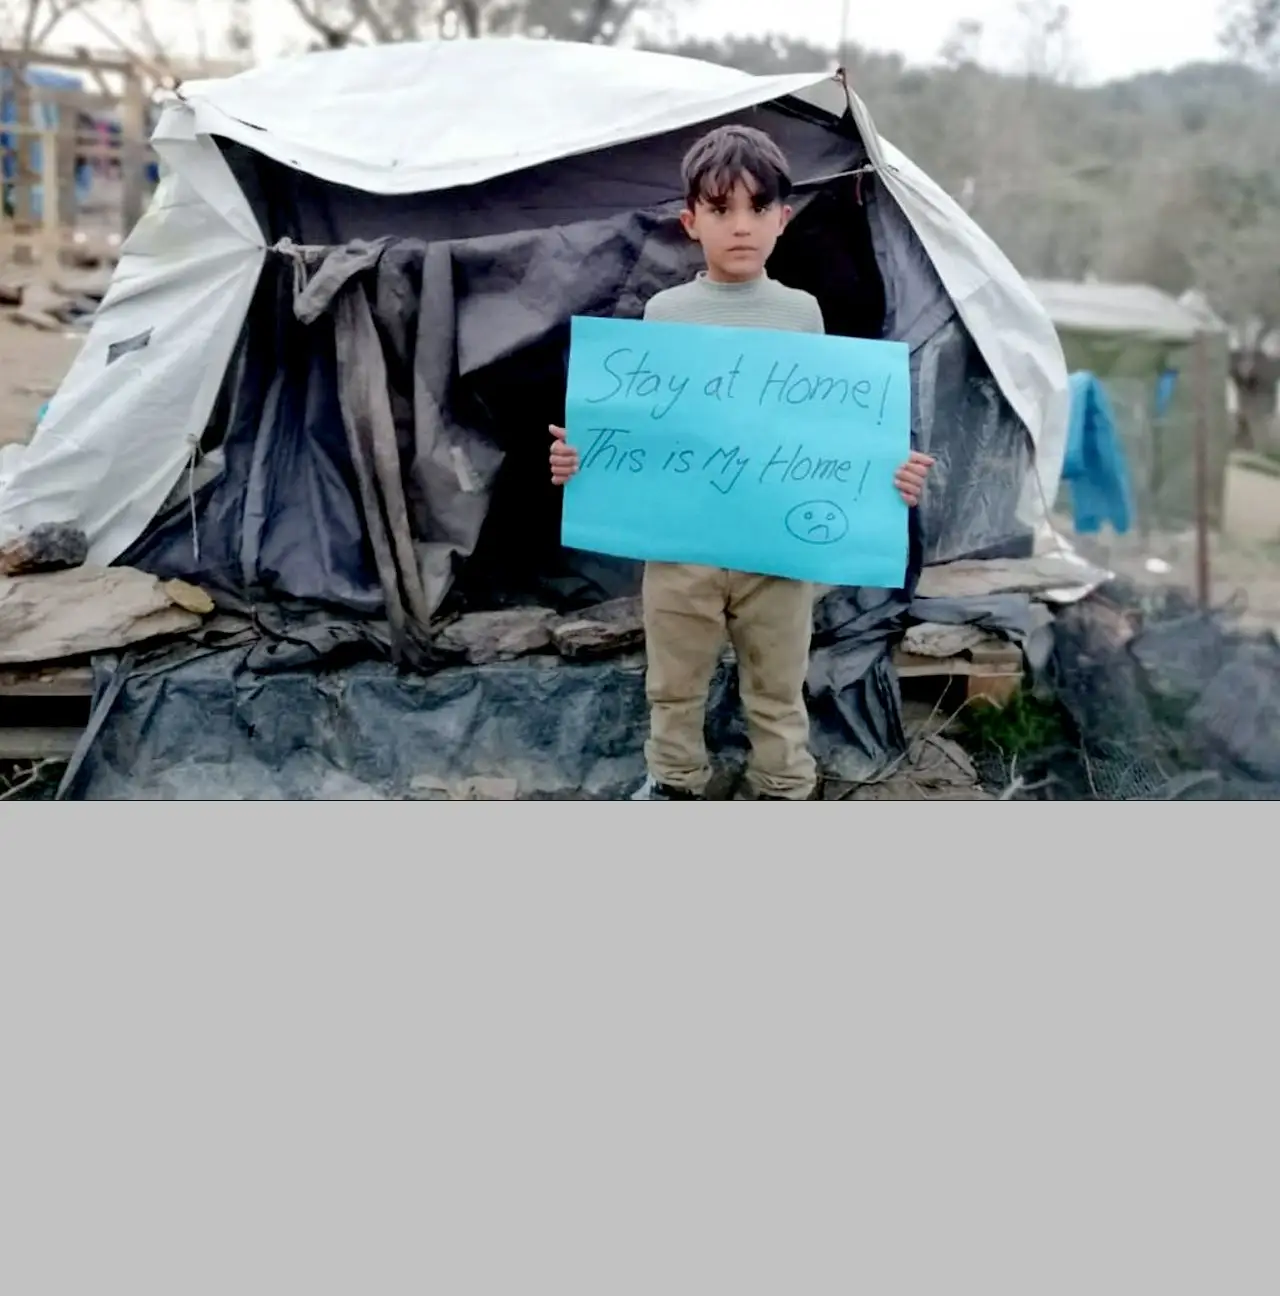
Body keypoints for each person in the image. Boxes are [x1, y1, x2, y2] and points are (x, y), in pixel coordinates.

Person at [549, 124, 934, 801]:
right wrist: (584, 463)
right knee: (672, 686)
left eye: (758, 208)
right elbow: (638, 434)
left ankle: (783, 788)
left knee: (778, 688)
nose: (741, 225)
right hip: (681, 552)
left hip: (777, 554)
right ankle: (676, 784)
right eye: (721, 209)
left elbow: (826, 434)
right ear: (690, 221)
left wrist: (886, 473)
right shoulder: (664, 315)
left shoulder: (801, 314)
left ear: (784, 219)